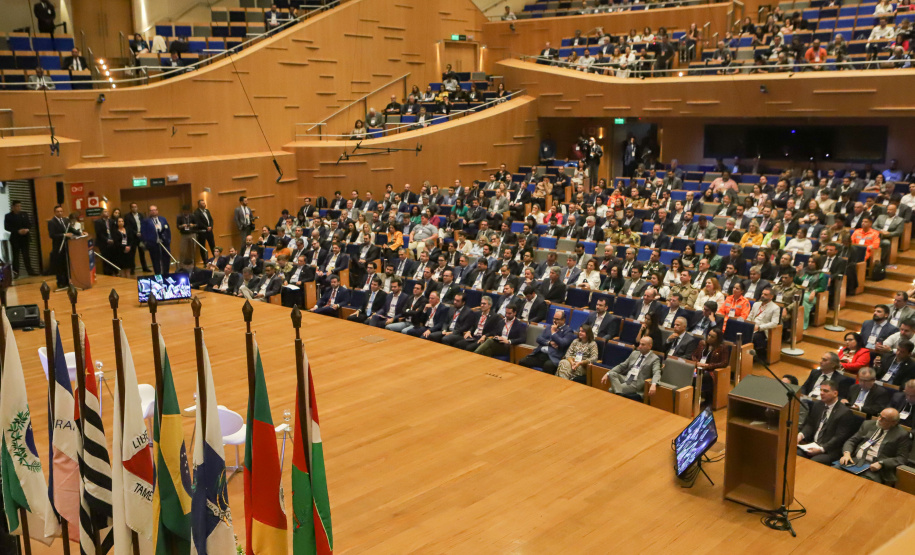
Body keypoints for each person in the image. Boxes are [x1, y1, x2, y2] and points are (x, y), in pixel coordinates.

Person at [837, 408, 912, 484]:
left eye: (884, 419)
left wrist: (882, 463)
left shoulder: (901, 435)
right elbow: (852, 441)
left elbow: (902, 458)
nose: (879, 419)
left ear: (894, 423)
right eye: (880, 415)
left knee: (859, 483)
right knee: (834, 471)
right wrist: (846, 453)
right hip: (854, 461)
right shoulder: (868, 424)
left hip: (874, 468)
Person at [797, 379, 858, 465]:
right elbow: (810, 424)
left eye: (825, 391)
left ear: (835, 393)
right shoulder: (818, 405)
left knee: (815, 461)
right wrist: (800, 435)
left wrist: (822, 449)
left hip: (830, 450)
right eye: (821, 390)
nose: (821, 393)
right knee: (796, 453)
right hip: (813, 444)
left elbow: (839, 437)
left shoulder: (845, 413)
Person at [518, 309, 575, 375]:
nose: (554, 321)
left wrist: (553, 332)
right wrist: (549, 343)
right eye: (553, 318)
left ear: (563, 320)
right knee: (523, 361)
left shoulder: (568, 331)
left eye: (557, 319)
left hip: (553, 357)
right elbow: (539, 339)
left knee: (548, 366)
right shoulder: (549, 327)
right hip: (540, 354)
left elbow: (562, 343)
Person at [692, 328, 730, 405]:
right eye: (709, 335)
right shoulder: (702, 343)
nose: (709, 337)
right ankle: (691, 398)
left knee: (699, 377)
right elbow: (693, 355)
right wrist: (697, 363)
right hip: (699, 367)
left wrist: (708, 366)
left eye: (712, 337)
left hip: (711, 371)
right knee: (688, 374)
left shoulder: (722, 348)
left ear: (717, 339)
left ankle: (705, 400)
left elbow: (724, 363)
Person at [4, 200, 35, 278]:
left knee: (26, 255)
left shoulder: (24, 214)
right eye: (17, 206)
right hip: (15, 238)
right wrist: (17, 231)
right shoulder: (8, 216)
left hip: (25, 238)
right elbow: (7, 227)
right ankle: (15, 272)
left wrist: (27, 229)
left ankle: (30, 271)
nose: (19, 208)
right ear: (13, 207)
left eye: (20, 206)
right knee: (16, 256)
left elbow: (29, 224)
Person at [747, 287, 781, 355]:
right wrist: (747, 325)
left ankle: (750, 356)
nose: (762, 295)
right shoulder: (756, 304)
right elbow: (749, 317)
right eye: (762, 294)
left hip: (762, 331)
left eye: (765, 294)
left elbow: (774, 323)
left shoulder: (775, 308)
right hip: (752, 327)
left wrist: (759, 327)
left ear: (771, 297)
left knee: (752, 337)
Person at [140, 205, 172, 275]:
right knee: (156, 261)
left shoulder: (163, 219)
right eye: (152, 210)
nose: (153, 211)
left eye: (155, 210)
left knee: (166, 259)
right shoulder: (146, 221)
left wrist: (168, 240)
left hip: (164, 243)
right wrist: (147, 242)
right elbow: (143, 232)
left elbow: (168, 230)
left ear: (157, 211)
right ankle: (158, 275)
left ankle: (166, 274)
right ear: (149, 212)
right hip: (153, 244)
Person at [125, 203, 150, 274]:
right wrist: (135, 233)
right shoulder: (127, 216)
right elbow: (128, 227)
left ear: (137, 207)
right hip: (133, 237)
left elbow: (145, 224)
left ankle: (145, 267)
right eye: (133, 207)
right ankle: (132, 269)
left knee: (142, 253)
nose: (134, 208)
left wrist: (143, 232)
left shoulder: (141, 215)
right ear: (130, 208)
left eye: (135, 207)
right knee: (132, 254)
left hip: (141, 237)